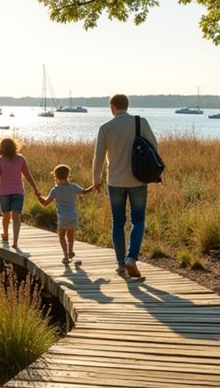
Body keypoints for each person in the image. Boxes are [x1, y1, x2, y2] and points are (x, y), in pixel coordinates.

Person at [92, 93, 157, 279]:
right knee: (138, 220)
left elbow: (98, 157)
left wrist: (95, 180)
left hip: (115, 182)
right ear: (127, 106)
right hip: (138, 180)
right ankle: (132, 258)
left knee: (118, 222)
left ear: (112, 107)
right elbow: (154, 146)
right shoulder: (140, 122)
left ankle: (121, 264)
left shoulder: (105, 128)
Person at [36, 164, 93, 266]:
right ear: (68, 175)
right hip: (72, 216)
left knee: (61, 236)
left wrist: (38, 196)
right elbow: (85, 191)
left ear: (55, 176)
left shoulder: (55, 190)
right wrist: (94, 186)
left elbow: (45, 203)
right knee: (70, 235)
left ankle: (66, 257)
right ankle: (70, 251)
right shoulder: (73, 187)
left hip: (62, 217)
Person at [0, 137, 40, 254]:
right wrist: (35, 188)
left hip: (4, 192)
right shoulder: (21, 159)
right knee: (16, 216)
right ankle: (15, 242)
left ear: (1, 147)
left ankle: (5, 234)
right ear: (14, 146)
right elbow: (28, 176)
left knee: (6, 215)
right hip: (18, 191)